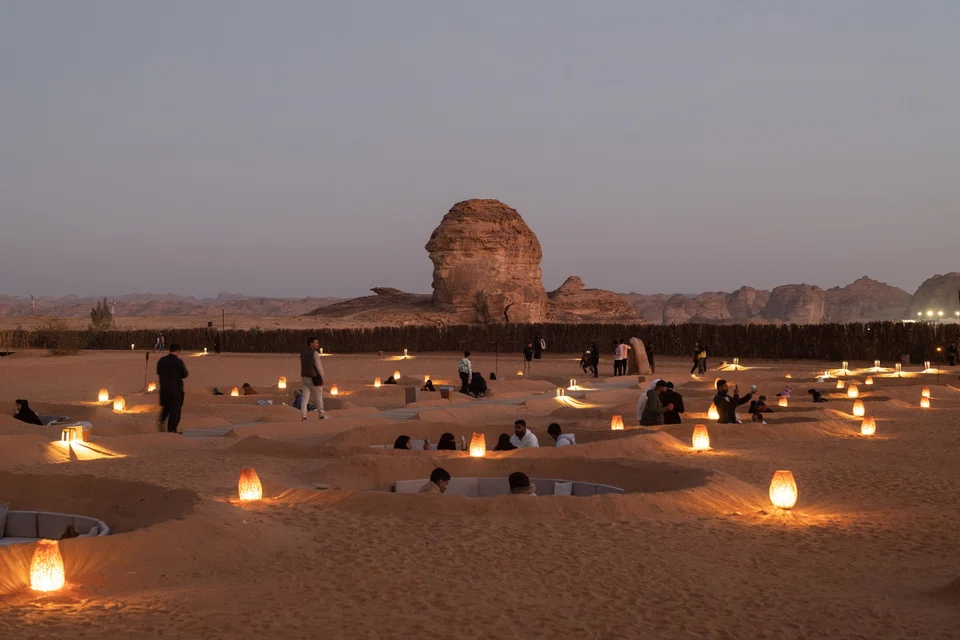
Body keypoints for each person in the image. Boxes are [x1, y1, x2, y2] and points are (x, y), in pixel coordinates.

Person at [157, 344, 188, 434]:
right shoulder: (178, 362)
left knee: (166, 407)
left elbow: (158, 372)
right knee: (175, 410)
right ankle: (172, 430)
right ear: (178, 351)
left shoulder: (161, 361)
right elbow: (184, 374)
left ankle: (162, 420)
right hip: (176, 389)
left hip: (164, 389)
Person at [300, 337, 326, 421]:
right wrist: (322, 378)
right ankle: (321, 415)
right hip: (313, 378)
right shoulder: (315, 353)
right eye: (316, 343)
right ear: (311, 343)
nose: (317, 344)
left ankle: (304, 416)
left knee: (305, 398)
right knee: (318, 397)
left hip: (304, 377)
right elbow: (319, 367)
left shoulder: (302, 353)